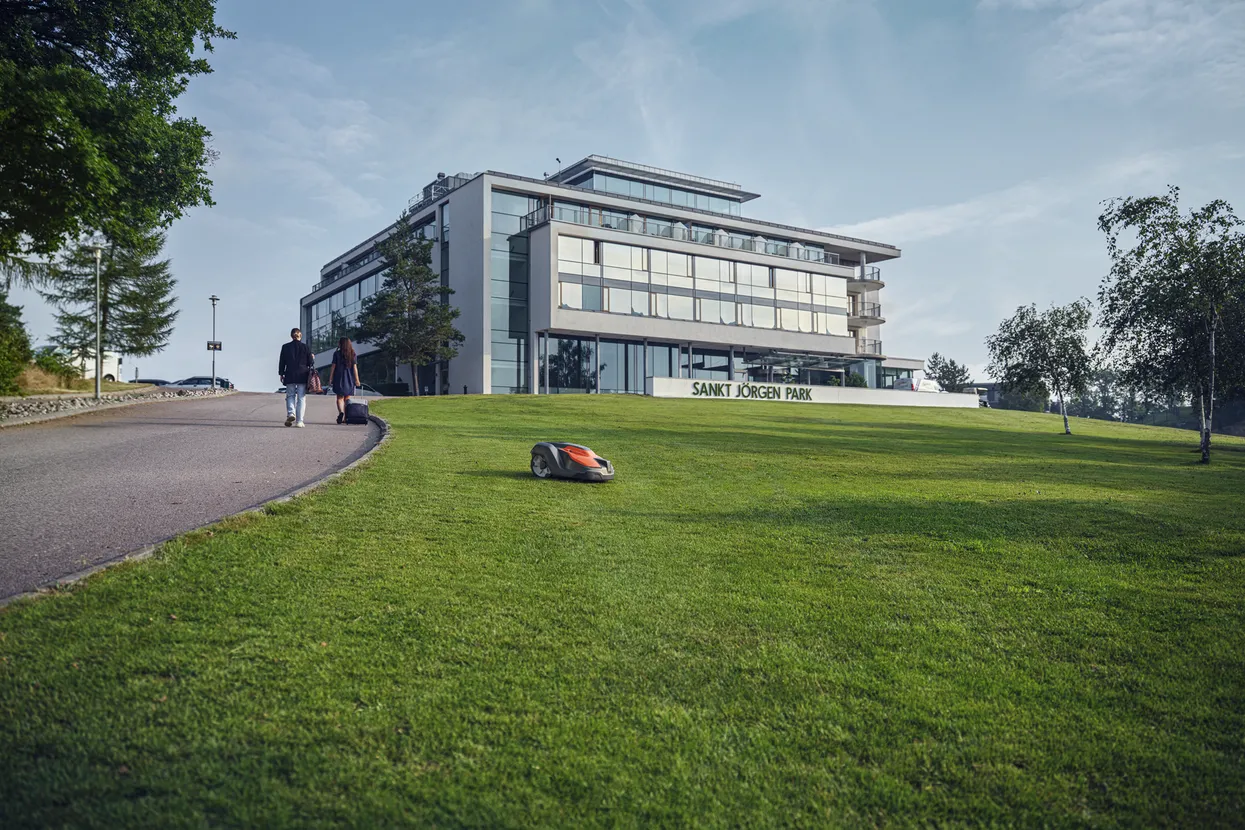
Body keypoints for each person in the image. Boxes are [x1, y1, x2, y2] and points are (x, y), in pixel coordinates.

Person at [278, 327, 314, 427]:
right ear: (300, 335)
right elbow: (310, 362)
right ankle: (299, 421)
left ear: (291, 336)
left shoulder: (285, 347)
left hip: (290, 374)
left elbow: (282, 361)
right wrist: (312, 357)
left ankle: (291, 413)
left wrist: (281, 373)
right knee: (301, 398)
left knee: (290, 395)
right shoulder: (305, 347)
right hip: (303, 375)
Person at [327, 337, 360, 424]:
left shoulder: (336, 354)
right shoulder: (353, 354)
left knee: (339, 397)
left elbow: (333, 367)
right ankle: (346, 417)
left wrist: (330, 378)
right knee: (347, 398)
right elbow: (355, 367)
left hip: (339, 377)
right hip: (349, 378)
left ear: (340, 344)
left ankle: (341, 412)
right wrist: (357, 380)